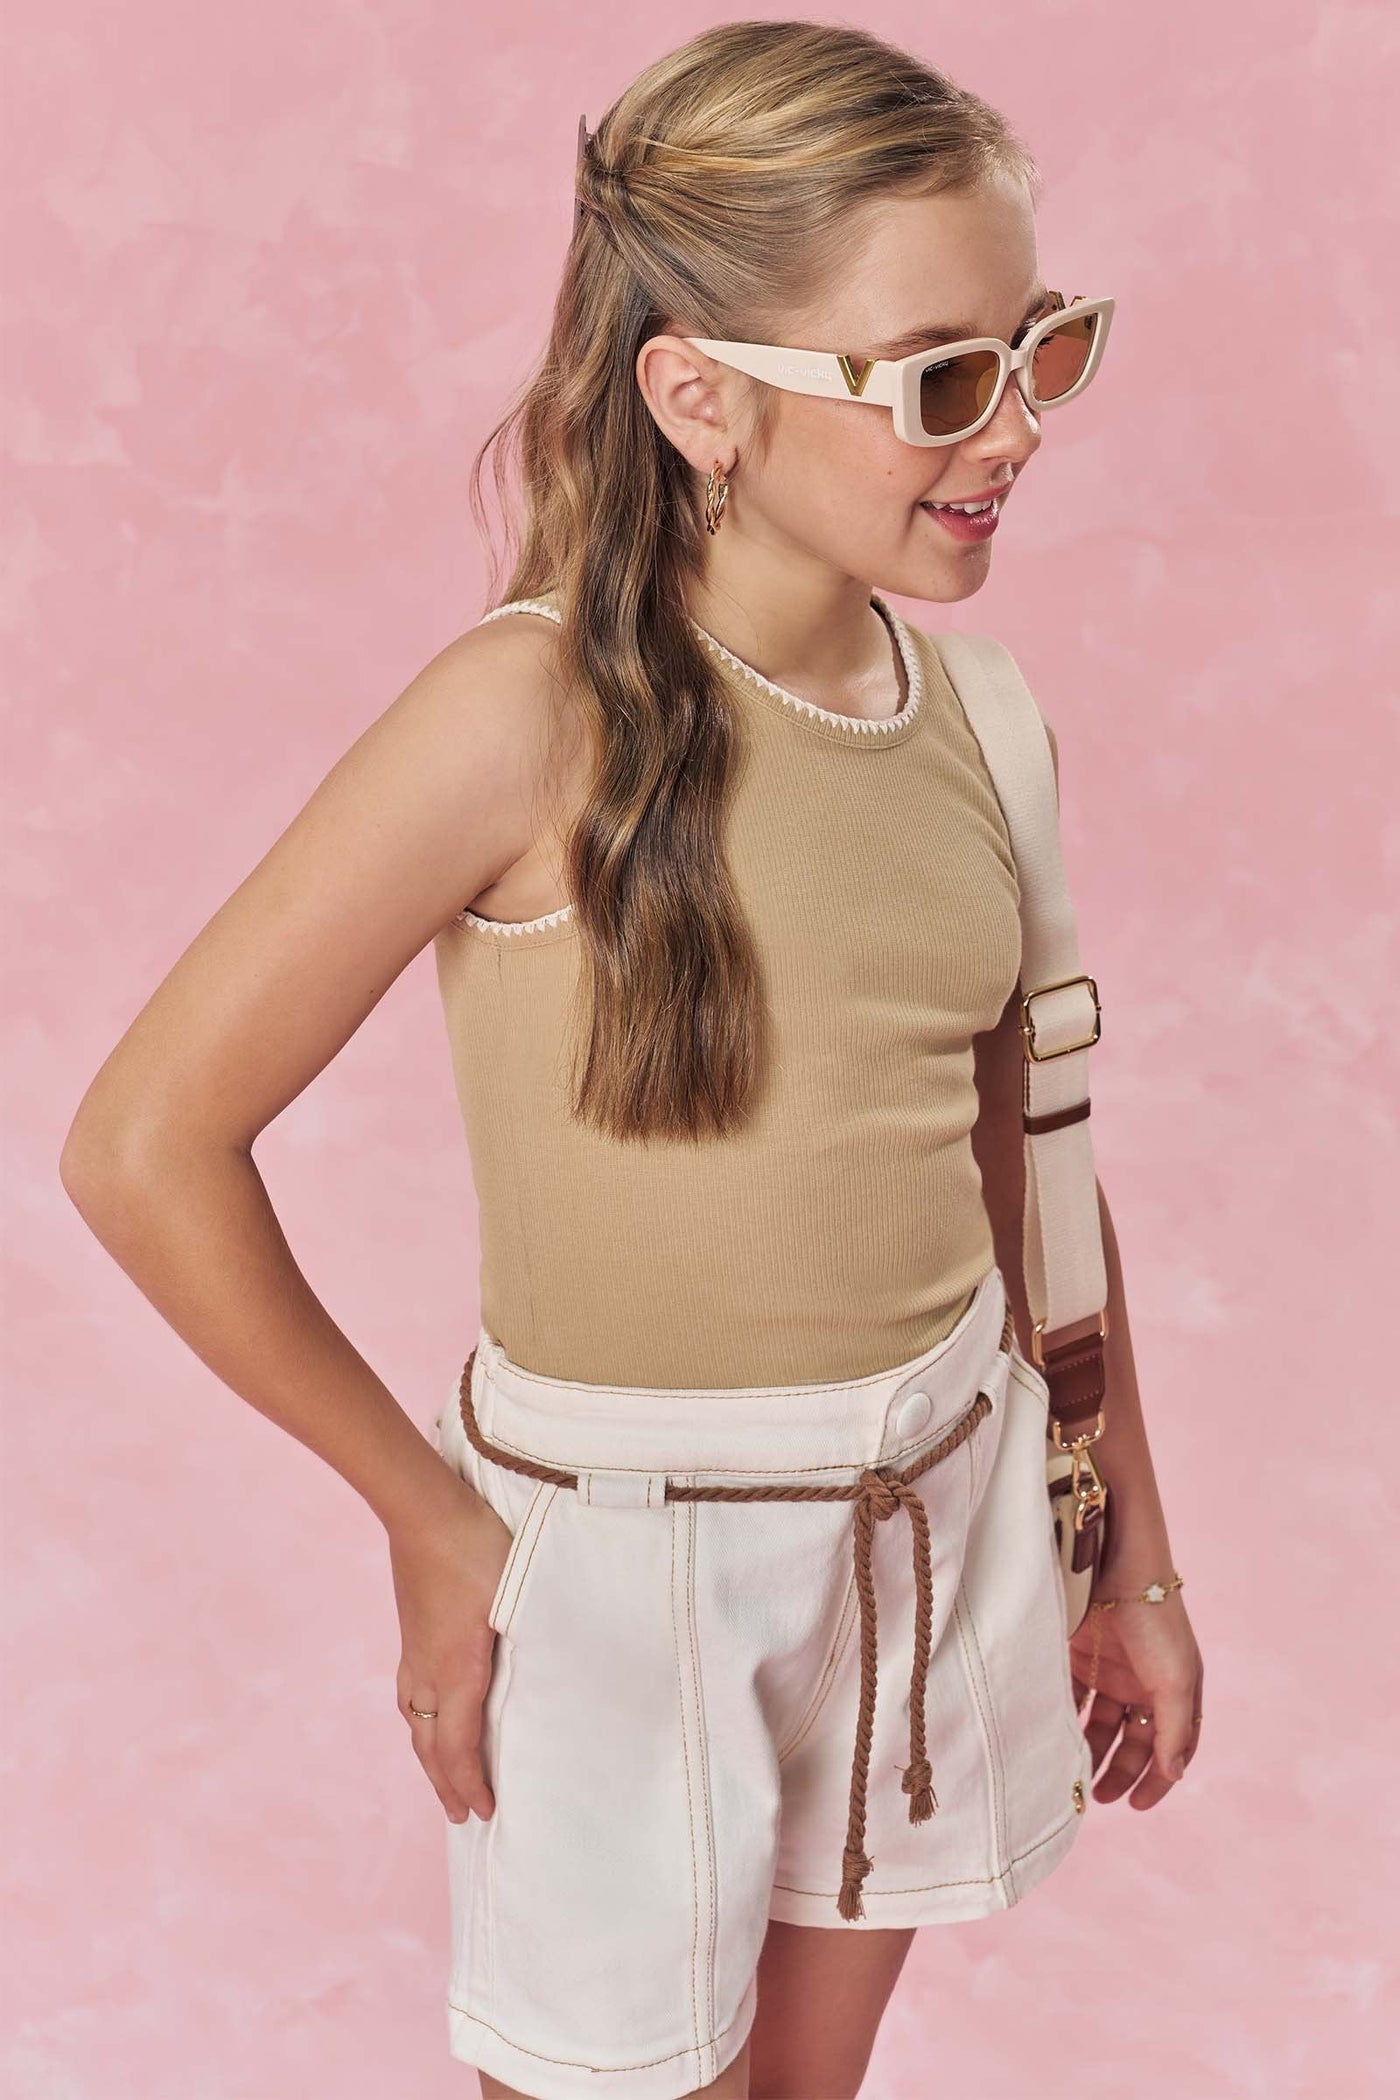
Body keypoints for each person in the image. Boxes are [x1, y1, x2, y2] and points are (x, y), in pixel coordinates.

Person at [60, 20, 1204, 2100]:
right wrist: (429, 1519)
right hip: (614, 1577)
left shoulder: (981, 719)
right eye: (942, 379)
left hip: (931, 1509)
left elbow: (1028, 1161)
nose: (1019, 426)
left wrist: (1130, 1548)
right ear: (701, 399)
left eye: (1042, 346)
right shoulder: (524, 720)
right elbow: (144, 1146)